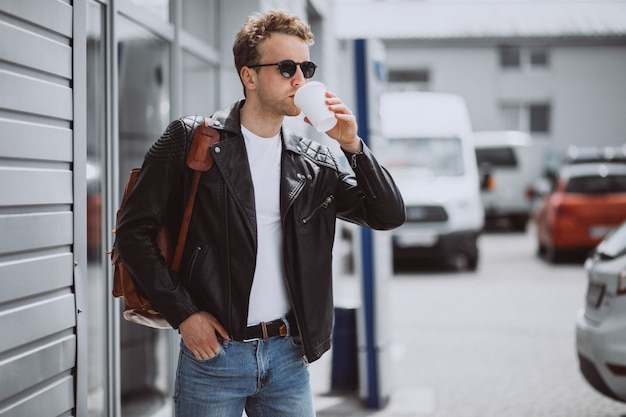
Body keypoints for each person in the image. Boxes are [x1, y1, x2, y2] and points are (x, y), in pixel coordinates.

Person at [115, 9, 405, 417]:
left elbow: (387, 214)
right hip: (214, 356)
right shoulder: (191, 139)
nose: (299, 79)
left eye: (307, 67)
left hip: (288, 358)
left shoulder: (313, 163)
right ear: (248, 76)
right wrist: (185, 316)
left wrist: (353, 146)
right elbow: (132, 234)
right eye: (286, 67)